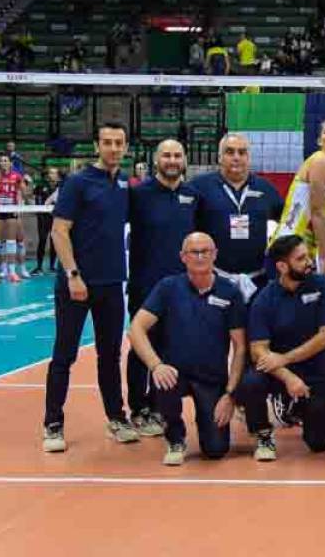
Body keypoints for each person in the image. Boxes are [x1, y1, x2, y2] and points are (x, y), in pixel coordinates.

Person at [43, 121, 138, 452]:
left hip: (111, 284)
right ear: (97, 146)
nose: (113, 148)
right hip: (77, 284)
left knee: (110, 356)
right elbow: (59, 231)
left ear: (126, 147)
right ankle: (52, 424)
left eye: (119, 142)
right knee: (64, 355)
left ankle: (116, 418)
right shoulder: (78, 182)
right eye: (107, 142)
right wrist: (73, 275)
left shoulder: (125, 184)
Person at [127, 233, 247, 465]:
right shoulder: (168, 288)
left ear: (215, 254)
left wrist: (230, 395)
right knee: (163, 380)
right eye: (194, 252)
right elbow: (136, 328)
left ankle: (208, 423)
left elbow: (240, 347)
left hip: (211, 378)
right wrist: (156, 365)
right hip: (175, 374)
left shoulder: (230, 292)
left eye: (205, 251)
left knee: (216, 450)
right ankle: (175, 437)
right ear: (183, 257)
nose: (200, 257)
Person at [237, 236, 325, 460]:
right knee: (251, 382)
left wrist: (285, 358)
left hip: (319, 368)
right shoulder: (264, 299)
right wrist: (288, 377)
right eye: (301, 259)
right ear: (282, 267)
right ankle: (263, 434)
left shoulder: (323, 285)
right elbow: (258, 350)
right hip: (282, 371)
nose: (309, 262)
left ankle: (297, 407)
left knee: (318, 443)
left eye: (308, 256)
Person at [126, 140, 199, 437]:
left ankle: (159, 406)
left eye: (177, 155)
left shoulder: (193, 195)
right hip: (145, 285)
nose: (172, 160)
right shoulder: (138, 194)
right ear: (156, 160)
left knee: (171, 348)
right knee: (140, 347)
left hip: (181, 288)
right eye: (166, 155)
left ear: (185, 160)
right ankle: (138, 408)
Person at [190, 133, 284, 300]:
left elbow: (287, 224)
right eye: (229, 152)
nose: (236, 157)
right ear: (219, 157)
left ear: (249, 157)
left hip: (258, 282)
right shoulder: (198, 187)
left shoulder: (266, 189)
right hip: (214, 280)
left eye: (242, 152)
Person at [269, 119, 325, 277]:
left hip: (308, 252)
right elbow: (317, 213)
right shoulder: (320, 160)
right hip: (287, 246)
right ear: (319, 140)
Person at [0, 155, 28, 283]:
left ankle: (12, 272)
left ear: (10, 163)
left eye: (6, 160)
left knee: (11, 242)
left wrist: (26, 183)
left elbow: (24, 193)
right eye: (1, 161)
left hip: (11, 210)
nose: (3, 162)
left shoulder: (17, 176)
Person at [32, 167, 62, 275]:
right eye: (49, 173)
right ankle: (39, 267)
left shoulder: (62, 187)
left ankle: (52, 266)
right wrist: (40, 215)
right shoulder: (40, 187)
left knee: (54, 242)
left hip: (56, 217)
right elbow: (37, 201)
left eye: (53, 173)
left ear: (58, 176)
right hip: (43, 218)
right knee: (42, 240)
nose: (51, 175)